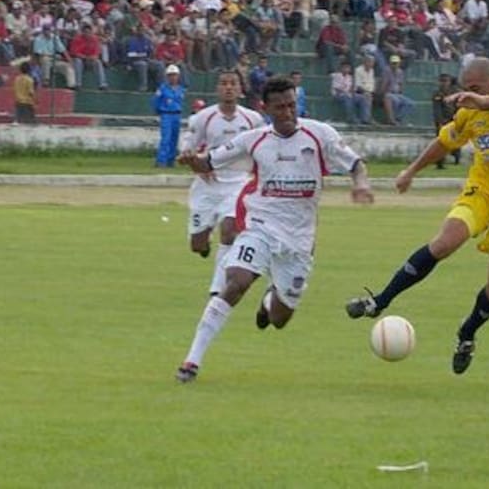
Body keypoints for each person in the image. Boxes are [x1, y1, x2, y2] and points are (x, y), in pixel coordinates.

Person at [345, 58, 489, 374]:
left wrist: (484, 100)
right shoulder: (471, 113)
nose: (467, 95)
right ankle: (379, 301)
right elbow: (444, 142)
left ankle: (467, 334)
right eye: (465, 89)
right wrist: (411, 171)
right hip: (482, 193)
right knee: (444, 243)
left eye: (474, 88)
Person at [175, 76, 373, 383]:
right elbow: (208, 163)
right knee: (236, 282)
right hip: (261, 226)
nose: (288, 113)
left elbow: (356, 164)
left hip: (299, 240)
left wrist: (360, 185)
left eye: (292, 105)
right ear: (266, 109)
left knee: (280, 319)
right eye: (280, 107)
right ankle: (192, 361)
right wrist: (192, 161)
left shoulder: (319, 135)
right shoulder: (253, 139)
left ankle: (271, 300)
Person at [181, 71, 265, 297]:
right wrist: (196, 165)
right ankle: (204, 242)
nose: (228, 87)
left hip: (238, 184)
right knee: (197, 244)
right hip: (208, 186)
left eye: (233, 83)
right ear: (217, 89)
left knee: (229, 232)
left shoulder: (253, 119)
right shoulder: (202, 118)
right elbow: (187, 150)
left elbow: (261, 149)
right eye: (224, 83)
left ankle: (217, 290)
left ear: (240, 89)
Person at [154, 65, 186, 167]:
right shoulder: (162, 88)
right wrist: (159, 110)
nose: (173, 77)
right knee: (166, 138)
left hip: (177, 114)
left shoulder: (181, 89)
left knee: (174, 138)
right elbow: (155, 101)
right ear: (167, 77)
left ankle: (170, 160)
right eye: (170, 75)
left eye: (175, 75)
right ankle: (161, 160)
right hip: (166, 114)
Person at [432, 73, 462, 169]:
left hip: (453, 119)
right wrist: (440, 122)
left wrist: (458, 119)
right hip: (443, 120)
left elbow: (459, 107)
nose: (443, 83)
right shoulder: (437, 94)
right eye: (441, 81)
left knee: (456, 140)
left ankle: (457, 158)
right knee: (441, 142)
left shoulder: (455, 92)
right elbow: (437, 110)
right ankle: (439, 163)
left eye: (445, 81)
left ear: (449, 82)